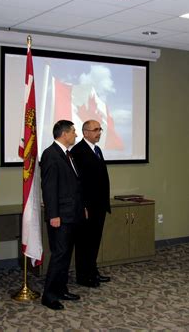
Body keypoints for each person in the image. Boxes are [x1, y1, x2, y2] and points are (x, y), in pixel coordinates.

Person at [40, 120, 85, 311]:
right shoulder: (51, 155)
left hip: (72, 214)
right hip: (60, 216)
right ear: (64, 134)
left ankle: (61, 289)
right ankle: (49, 296)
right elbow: (49, 188)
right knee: (59, 255)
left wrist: (81, 207)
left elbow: (74, 186)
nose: (76, 134)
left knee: (66, 255)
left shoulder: (67, 155)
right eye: (74, 131)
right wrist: (53, 215)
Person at [71, 120, 111, 288]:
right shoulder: (78, 151)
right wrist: (83, 206)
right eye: (95, 130)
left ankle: (93, 271)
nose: (99, 132)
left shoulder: (97, 150)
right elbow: (77, 183)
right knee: (84, 243)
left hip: (99, 205)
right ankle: (83, 276)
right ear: (85, 132)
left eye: (100, 129)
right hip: (87, 207)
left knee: (94, 241)